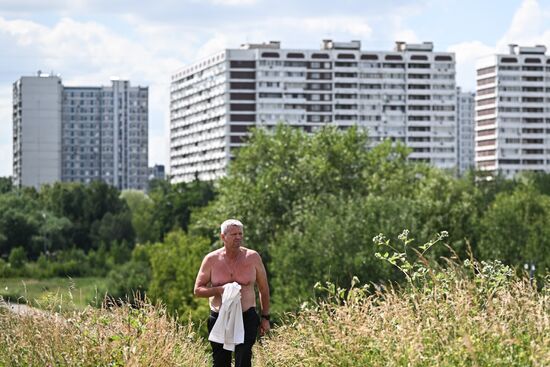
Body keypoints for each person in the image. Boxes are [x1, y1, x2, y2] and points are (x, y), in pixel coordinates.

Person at [194, 219, 270, 367]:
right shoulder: (211, 259)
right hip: (219, 316)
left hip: (247, 315)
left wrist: (265, 317)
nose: (238, 237)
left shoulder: (253, 257)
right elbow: (198, 290)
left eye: (240, 234)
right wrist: (220, 290)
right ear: (223, 237)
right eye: (234, 234)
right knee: (221, 362)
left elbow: (264, 289)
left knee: (244, 360)